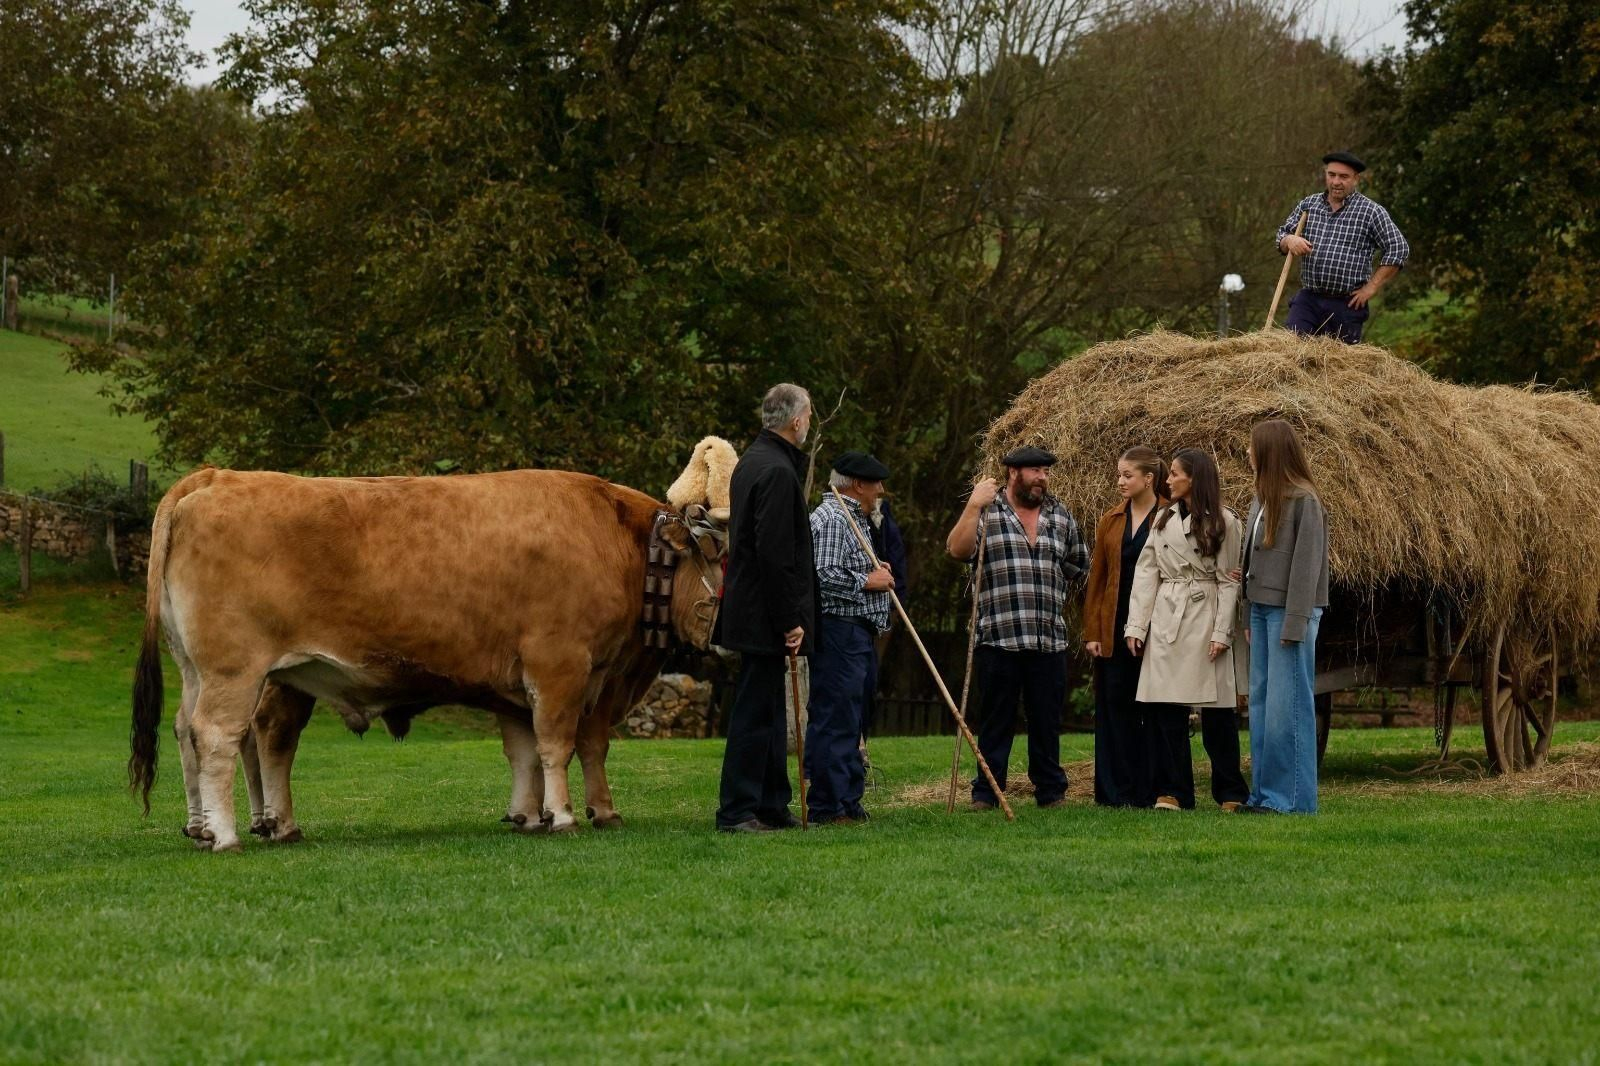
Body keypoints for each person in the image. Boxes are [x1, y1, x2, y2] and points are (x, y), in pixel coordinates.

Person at [944, 446, 1089, 810]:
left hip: (1048, 638)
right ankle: (987, 792)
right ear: (1013, 473)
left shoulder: (1059, 516)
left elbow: (1080, 568)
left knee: (1046, 722)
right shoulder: (989, 512)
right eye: (1035, 471)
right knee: (996, 721)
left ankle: (1051, 791)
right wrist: (974, 504)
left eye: (1045, 471)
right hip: (998, 638)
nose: (1043, 477)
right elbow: (958, 551)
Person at [714, 383, 817, 833]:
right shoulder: (775, 470)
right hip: (762, 611)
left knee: (772, 710)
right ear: (796, 421)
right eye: (810, 416)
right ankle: (736, 809)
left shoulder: (754, 461)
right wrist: (790, 619)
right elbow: (774, 553)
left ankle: (772, 803)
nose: (810, 424)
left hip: (754, 606)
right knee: (756, 713)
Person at [1124, 448, 1250, 813]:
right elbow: (1147, 573)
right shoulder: (1162, 519)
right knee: (1166, 711)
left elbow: (1229, 582)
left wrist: (1221, 633)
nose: (1168, 479)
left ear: (1194, 478)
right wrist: (1137, 625)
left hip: (1206, 613)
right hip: (1167, 617)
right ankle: (1174, 791)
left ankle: (1230, 792)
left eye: (1175, 473)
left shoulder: (1226, 522)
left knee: (1218, 713)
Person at [1239, 420, 1329, 815]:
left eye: (1252, 446)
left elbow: (1307, 568)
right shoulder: (1260, 500)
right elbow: (1251, 561)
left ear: (1270, 451)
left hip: (1289, 614)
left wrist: (1294, 624)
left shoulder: (1304, 500)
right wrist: (1247, 612)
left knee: (1286, 708)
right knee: (1260, 705)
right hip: (1260, 611)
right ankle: (1262, 795)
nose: (1247, 452)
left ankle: (1291, 800)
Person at [805, 451, 895, 825]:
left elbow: (841, 566)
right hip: (839, 631)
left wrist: (876, 569)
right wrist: (867, 580)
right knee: (836, 717)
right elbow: (823, 574)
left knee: (852, 718)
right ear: (858, 485)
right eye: (876, 484)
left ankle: (848, 801)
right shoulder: (832, 518)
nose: (881, 491)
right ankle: (829, 806)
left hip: (857, 633)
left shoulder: (853, 518)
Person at [1082, 446, 1169, 808]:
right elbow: (1098, 580)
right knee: (1114, 707)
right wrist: (1093, 633)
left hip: (1157, 625)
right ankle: (1114, 792)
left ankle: (1151, 790)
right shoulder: (1111, 520)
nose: (1120, 481)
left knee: (1151, 709)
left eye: (1127, 475)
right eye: (1119, 474)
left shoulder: (1171, 516)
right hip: (1114, 626)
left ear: (1148, 478)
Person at [1275, 151, 1409, 344]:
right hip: (1309, 299)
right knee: (1289, 351)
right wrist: (1289, 241)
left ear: (1356, 179)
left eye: (1343, 177)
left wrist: (1371, 287)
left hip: (1346, 304)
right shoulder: (1308, 205)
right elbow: (1282, 234)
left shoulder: (1371, 212)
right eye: (1332, 175)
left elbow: (1399, 249)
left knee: (1338, 369)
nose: (1336, 182)